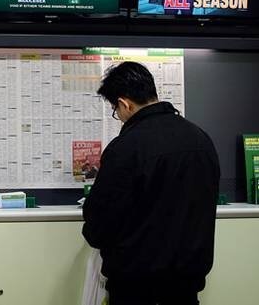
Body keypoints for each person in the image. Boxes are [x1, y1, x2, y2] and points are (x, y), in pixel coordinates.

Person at [82, 61, 220, 305]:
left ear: (125, 103)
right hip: (187, 289)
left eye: (116, 110)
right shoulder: (201, 139)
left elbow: (99, 225)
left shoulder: (126, 148)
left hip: (134, 289)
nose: (119, 117)